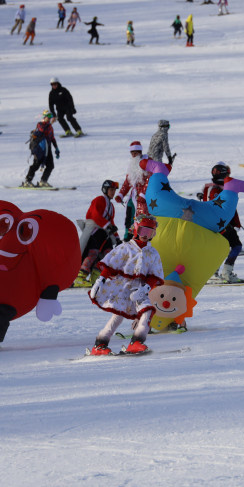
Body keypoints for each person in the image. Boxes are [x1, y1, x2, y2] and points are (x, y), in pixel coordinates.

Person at [89, 215, 165, 356]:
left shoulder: (152, 253)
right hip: (123, 287)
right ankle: (100, 344)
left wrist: (146, 288)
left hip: (140, 289)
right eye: (143, 231)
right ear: (136, 230)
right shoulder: (125, 248)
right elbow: (111, 265)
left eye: (150, 233)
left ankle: (137, 341)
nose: (145, 236)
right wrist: (100, 281)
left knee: (147, 311)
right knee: (117, 316)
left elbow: (155, 275)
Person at [203, 162, 244, 283]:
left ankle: (223, 273)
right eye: (227, 174)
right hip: (219, 224)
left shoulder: (212, 187)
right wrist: (234, 223)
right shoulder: (217, 190)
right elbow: (223, 207)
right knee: (233, 246)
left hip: (217, 223)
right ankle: (216, 273)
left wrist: (235, 223)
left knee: (230, 246)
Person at [75, 180, 121, 288]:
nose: (113, 192)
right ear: (105, 190)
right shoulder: (99, 200)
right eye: (111, 190)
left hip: (104, 234)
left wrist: (117, 238)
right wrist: (107, 226)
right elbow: (95, 215)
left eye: (114, 190)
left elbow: (111, 222)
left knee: (107, 254)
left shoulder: (111, 206)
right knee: (93, 253)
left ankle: (95, 276)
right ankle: (80, 276)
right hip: (95, 231)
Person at [115, 141, 154, 240]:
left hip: (144, 198)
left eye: (135, 152)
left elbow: (150, 179)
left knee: (142, 219)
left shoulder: (147, 162)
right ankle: (127, 237)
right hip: (133, 197)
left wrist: (143, 195)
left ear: (140, 151)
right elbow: (128, 181)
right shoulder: (132, 164)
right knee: (129, 218)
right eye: (132, 152)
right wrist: (121, 194)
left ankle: (140, 238)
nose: (133, 154)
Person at [24, 110, 60, 187]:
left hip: (48, 148)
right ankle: (28, 181)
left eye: (50, 117)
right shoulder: (40, 124)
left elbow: (52, 138)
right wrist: (51, 123)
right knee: (36, 164)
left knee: (50, 165)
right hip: (40, 148)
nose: (49, 119)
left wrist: (56, 148)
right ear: (44, 117)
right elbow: (42, 131)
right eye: (48, 117)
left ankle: (43, 181)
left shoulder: (50, 126)